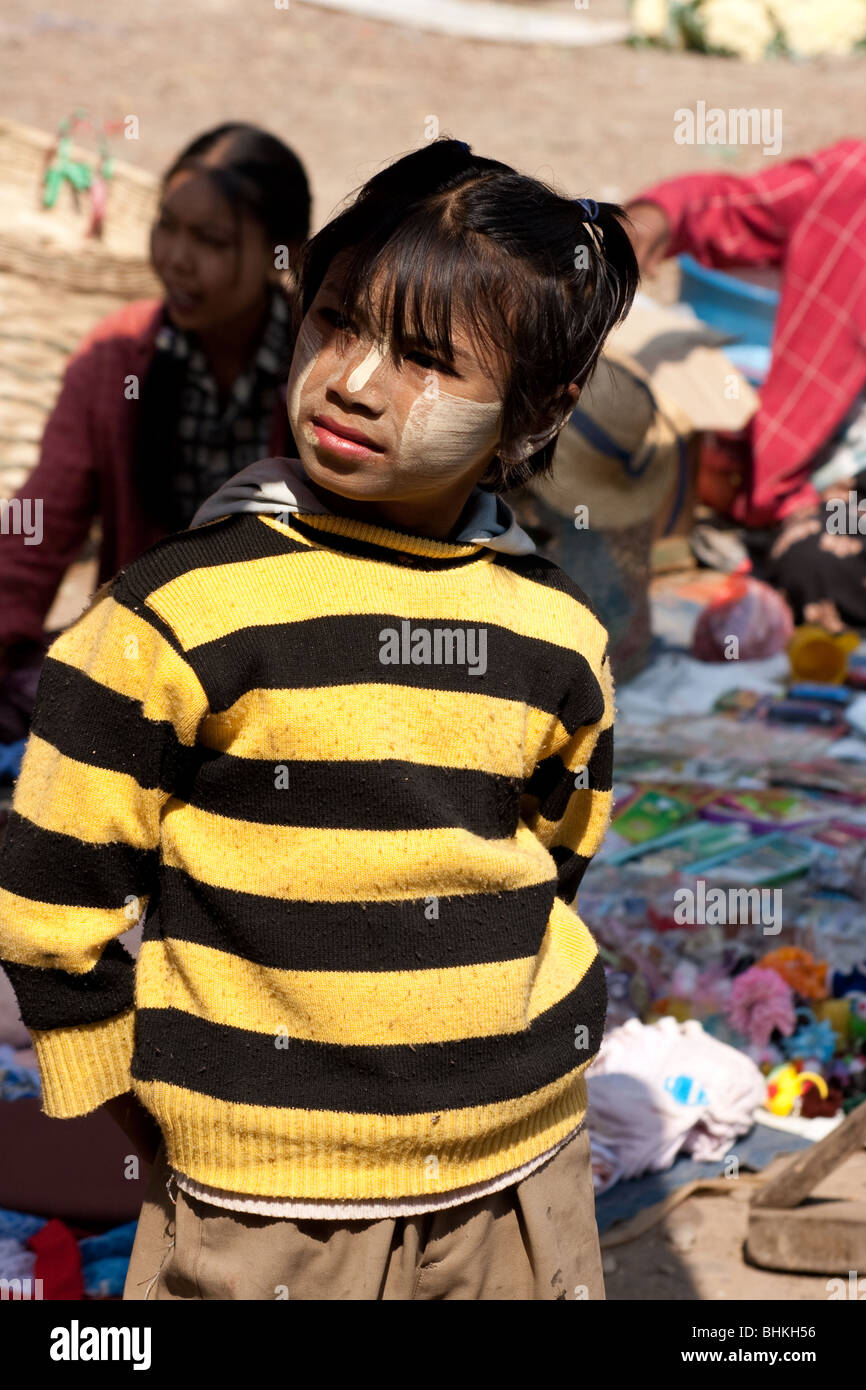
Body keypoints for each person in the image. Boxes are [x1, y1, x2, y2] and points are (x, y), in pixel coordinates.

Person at [0, 138, 637, 1301]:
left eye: (423, 359)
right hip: (265, 1195)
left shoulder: (553, 631)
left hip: (516, 1162)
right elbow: (53, 868)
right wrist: (110, 1082)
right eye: (336, 322)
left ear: (536, 409)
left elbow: (554, 850)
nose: (351, 380)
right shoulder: (179, 610)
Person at [0, 122, 311, 742]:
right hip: (142, 666)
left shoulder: (321, 373)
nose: (175, 259)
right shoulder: (114, 360)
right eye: (167, 226)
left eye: (211, 240)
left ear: (285, 254)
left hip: (288, 675)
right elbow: (37, 525)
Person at [626, 141, 866, 632]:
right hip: (829, 486)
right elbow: (726, 207)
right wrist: (650, 221)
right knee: (817, 568)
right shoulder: (850, 185)